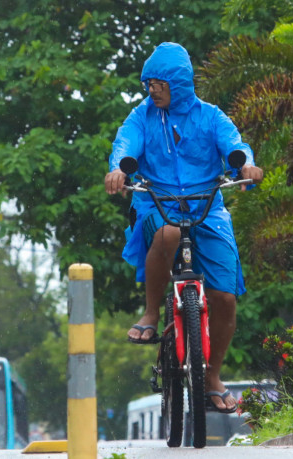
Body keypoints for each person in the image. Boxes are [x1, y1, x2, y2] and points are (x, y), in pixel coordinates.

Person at [104, 42, 263, 413]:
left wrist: (246, 165)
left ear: (179, 82)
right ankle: (151, 312)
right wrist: (119, 169)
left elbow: (235, 146)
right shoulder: (140, 117)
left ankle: (212, 375)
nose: (152, 89)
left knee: (224, 297)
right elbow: (125, 146)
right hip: (156, 203)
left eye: (159, 82)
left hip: (207, 206)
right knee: (170, 233)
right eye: (149, 83)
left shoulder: (211, 117)